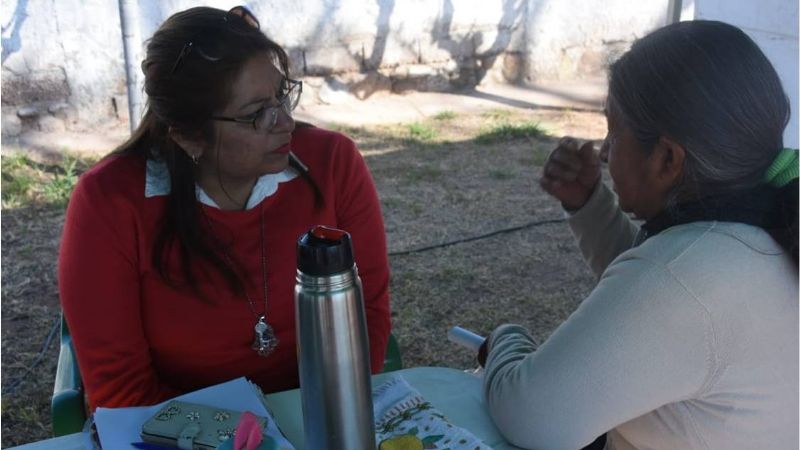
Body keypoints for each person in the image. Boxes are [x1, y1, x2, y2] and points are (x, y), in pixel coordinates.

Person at [480, 20, 798, 450]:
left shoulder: (689, 276)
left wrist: (505, 338)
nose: (606, 150)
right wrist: (588, 203)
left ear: (667, 158)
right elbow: (657, 286)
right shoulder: (769, 221)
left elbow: (531, 415)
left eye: (615, 130)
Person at [58, 6, 391, 412]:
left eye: (282, 95)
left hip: (323, 416)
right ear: (188, 137)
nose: (284, 122)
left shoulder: (333, 163)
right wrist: (253, 437)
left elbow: (367, 317)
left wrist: (327, 420)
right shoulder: (110, 202)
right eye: (255, 115)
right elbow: (123, 393)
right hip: (182, 434)